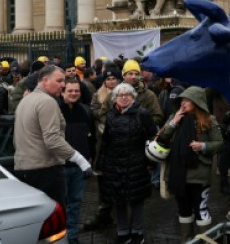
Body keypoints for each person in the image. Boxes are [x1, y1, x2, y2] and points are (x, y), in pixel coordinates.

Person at [13, 64, 93, 207]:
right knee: (54, 220)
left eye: (63, 81)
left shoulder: (25, 100)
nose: (63, 85)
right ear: (45, 80)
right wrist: (80, 160)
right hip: (46, 171)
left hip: (24, 169)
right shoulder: (46, 101)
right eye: (59, 81)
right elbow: (53, 140)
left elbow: (16, 139)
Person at [157, 85, 223, 241]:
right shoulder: (175, 117)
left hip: (199, 175)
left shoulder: (209, 120)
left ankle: (205, 240)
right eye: (182, 100)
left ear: (197, 101)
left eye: (187, 100)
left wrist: (203, 146)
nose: (183, 103)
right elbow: (162, 138)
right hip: (178, 174)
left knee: (201, 210)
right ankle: (187, 239)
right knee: (184, 210)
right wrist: (173, 122)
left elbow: (219, 143)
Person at [98, 82, 157, 244]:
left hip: (137, 164)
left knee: (136, 199)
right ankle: (123, 232)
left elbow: (153, 138)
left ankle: (137, 232)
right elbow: (105, 142)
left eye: (127, 95)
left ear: (133, 97)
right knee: (119, 199)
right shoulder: (110, 115)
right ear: (115, 98)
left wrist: (150, 162)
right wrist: (101, 164)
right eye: (120, 95)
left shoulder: (142, 113)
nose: (123, 98)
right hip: (114, 164)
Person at [60, 77, 96, 244]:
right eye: (70, 91)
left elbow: (92, 137)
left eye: (77, 91)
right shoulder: (55, 110)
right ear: (62, 92)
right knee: (60, 205)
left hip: (79, 168)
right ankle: (60, 237)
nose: (74, 94)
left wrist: (90, 156)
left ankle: (72, 236)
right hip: (60, 166)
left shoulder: (85, 111)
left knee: (75, 203)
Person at [85, 68, 122, 231]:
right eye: (109, 79)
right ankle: (104, 212)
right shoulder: (97, 95)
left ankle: (116, 213)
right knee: (103, 177)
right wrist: (105, 119)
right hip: (101, 140)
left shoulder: (124, 94)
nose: (111, 82)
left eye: (114, 78)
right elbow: (93, 110)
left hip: (119, 140)